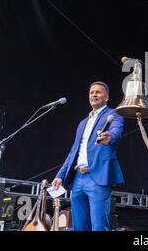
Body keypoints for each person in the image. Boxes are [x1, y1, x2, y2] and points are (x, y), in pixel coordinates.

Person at [52, 81, 125, 231]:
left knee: (99, 225)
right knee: (79, 226)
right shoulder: (82, 123)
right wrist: (60, 175)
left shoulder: (114, 114)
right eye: (91, 93)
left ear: (106, 97)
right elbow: (74, 152)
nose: (94, 95)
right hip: (78, 178)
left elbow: (117, 130)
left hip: (97, 176)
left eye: (98, 92)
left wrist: (109, 136)